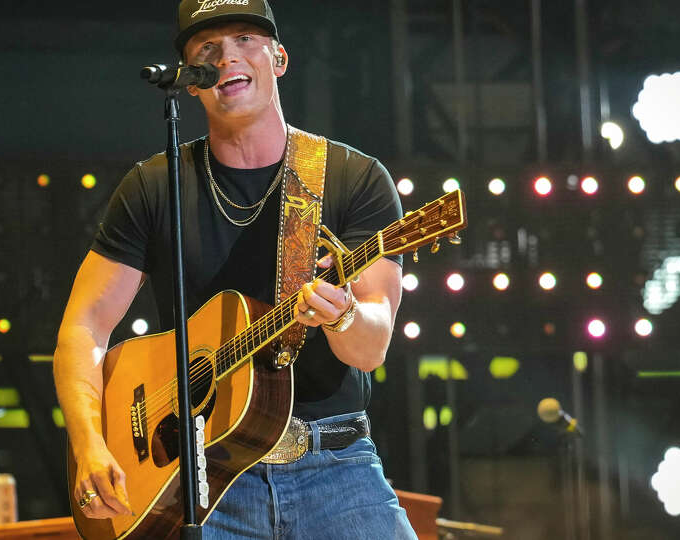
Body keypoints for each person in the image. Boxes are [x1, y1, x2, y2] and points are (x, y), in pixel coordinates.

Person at [52, 0, 416, 537]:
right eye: (207, 49)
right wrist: (89, 443)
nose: (227, 57)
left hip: (334, 469)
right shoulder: (154, 187)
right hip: (201, 480)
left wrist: (341, 317)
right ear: (192, 82)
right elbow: (83, 328)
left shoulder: (350, 178)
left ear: (279, 57)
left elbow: (371, 347)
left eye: (246, 39)